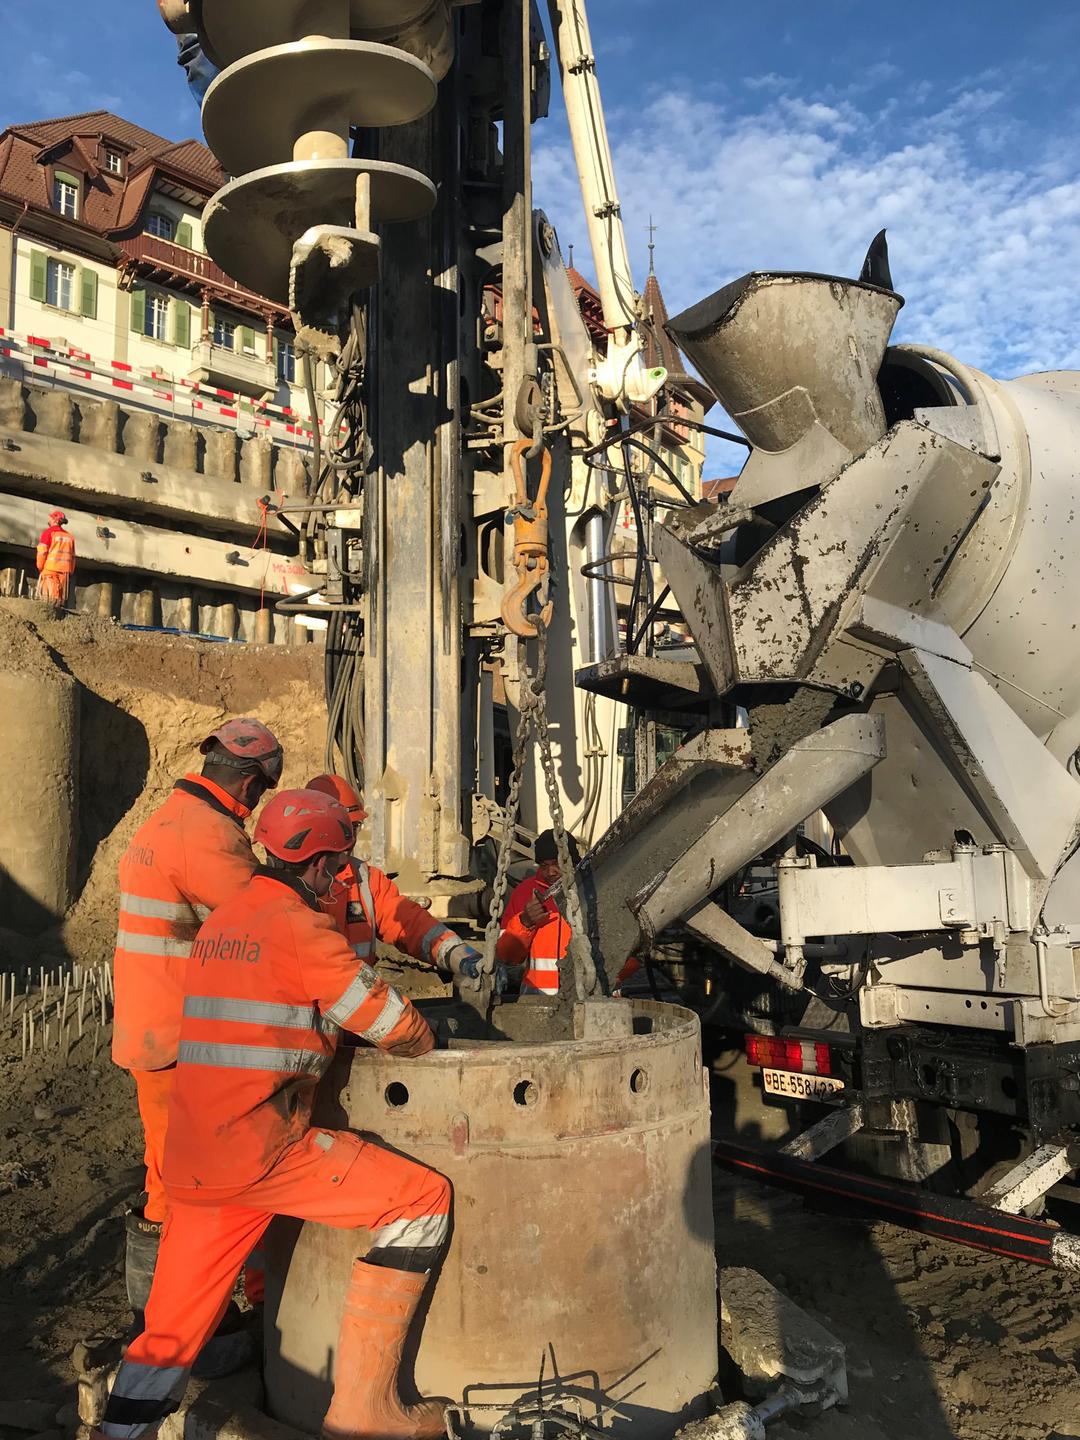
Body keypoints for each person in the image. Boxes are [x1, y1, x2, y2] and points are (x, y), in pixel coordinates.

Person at [96, 789, 450, 1440]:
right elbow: (385, 1019)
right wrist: (430, 1042)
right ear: (315, 864)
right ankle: (365, 1407)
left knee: (167, 1336)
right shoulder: (300, 924)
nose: (343, 876)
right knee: (421, 1199)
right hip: (266, 1153)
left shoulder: (225, 920)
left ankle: (119, 1433)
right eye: (338, 863)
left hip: (198, 1161)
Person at [111, 719, 283, 1351]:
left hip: (148, 1031)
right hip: (183, 1040)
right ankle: (185, 1332)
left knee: (165, 1178)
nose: (258, 801)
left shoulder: (165, 819)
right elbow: (267, 927)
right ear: (248, 779)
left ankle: (153, 1321)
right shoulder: (210, 836)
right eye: (261, 789)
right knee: (211, 1181)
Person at [305, 773, 484, 983]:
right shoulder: (290, 886)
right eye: (344, 829)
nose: (351, 839)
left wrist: (458, 954)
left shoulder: (365, 880)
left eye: (355, 828)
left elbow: (409, 923)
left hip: (356, 1004)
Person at [35, 509, 75, 606]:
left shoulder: (48, 533)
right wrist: (70, 571)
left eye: (51, 518)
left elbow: (42, 552)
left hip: (50, 570)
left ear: (55, 520)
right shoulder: (69, 537)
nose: (49, 520)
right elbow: (73, 557)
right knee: (59, 601)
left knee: (48, 601)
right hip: (64, 573)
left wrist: (40, 567)